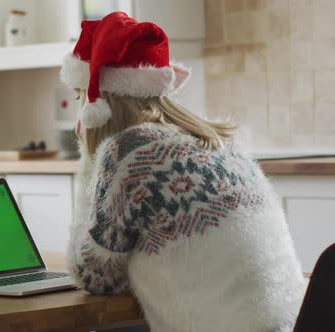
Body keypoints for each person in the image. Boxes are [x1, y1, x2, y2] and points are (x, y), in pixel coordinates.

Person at [61, 12, 305, 332]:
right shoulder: (220, 142)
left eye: (80, 98)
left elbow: (93, 276)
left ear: (97, 105)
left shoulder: (129, 153)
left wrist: (88, 163)